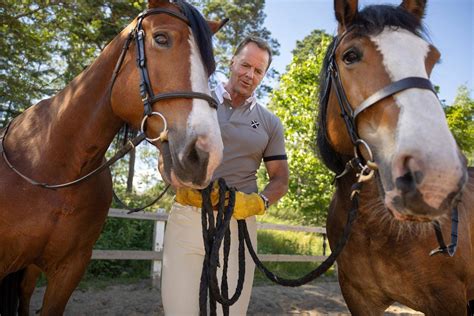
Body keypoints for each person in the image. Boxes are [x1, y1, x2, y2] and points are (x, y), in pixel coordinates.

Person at [161, 36, 289, 315]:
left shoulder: (270, 123)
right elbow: (166, 152)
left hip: (238, 226)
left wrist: (259, 202)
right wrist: (173, 179)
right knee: (178, 310)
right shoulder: (195, 102)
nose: (249, 75)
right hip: (187, 217)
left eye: (258, 71)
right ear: (232, 61)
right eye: (245, 65)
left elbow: (280, 179)